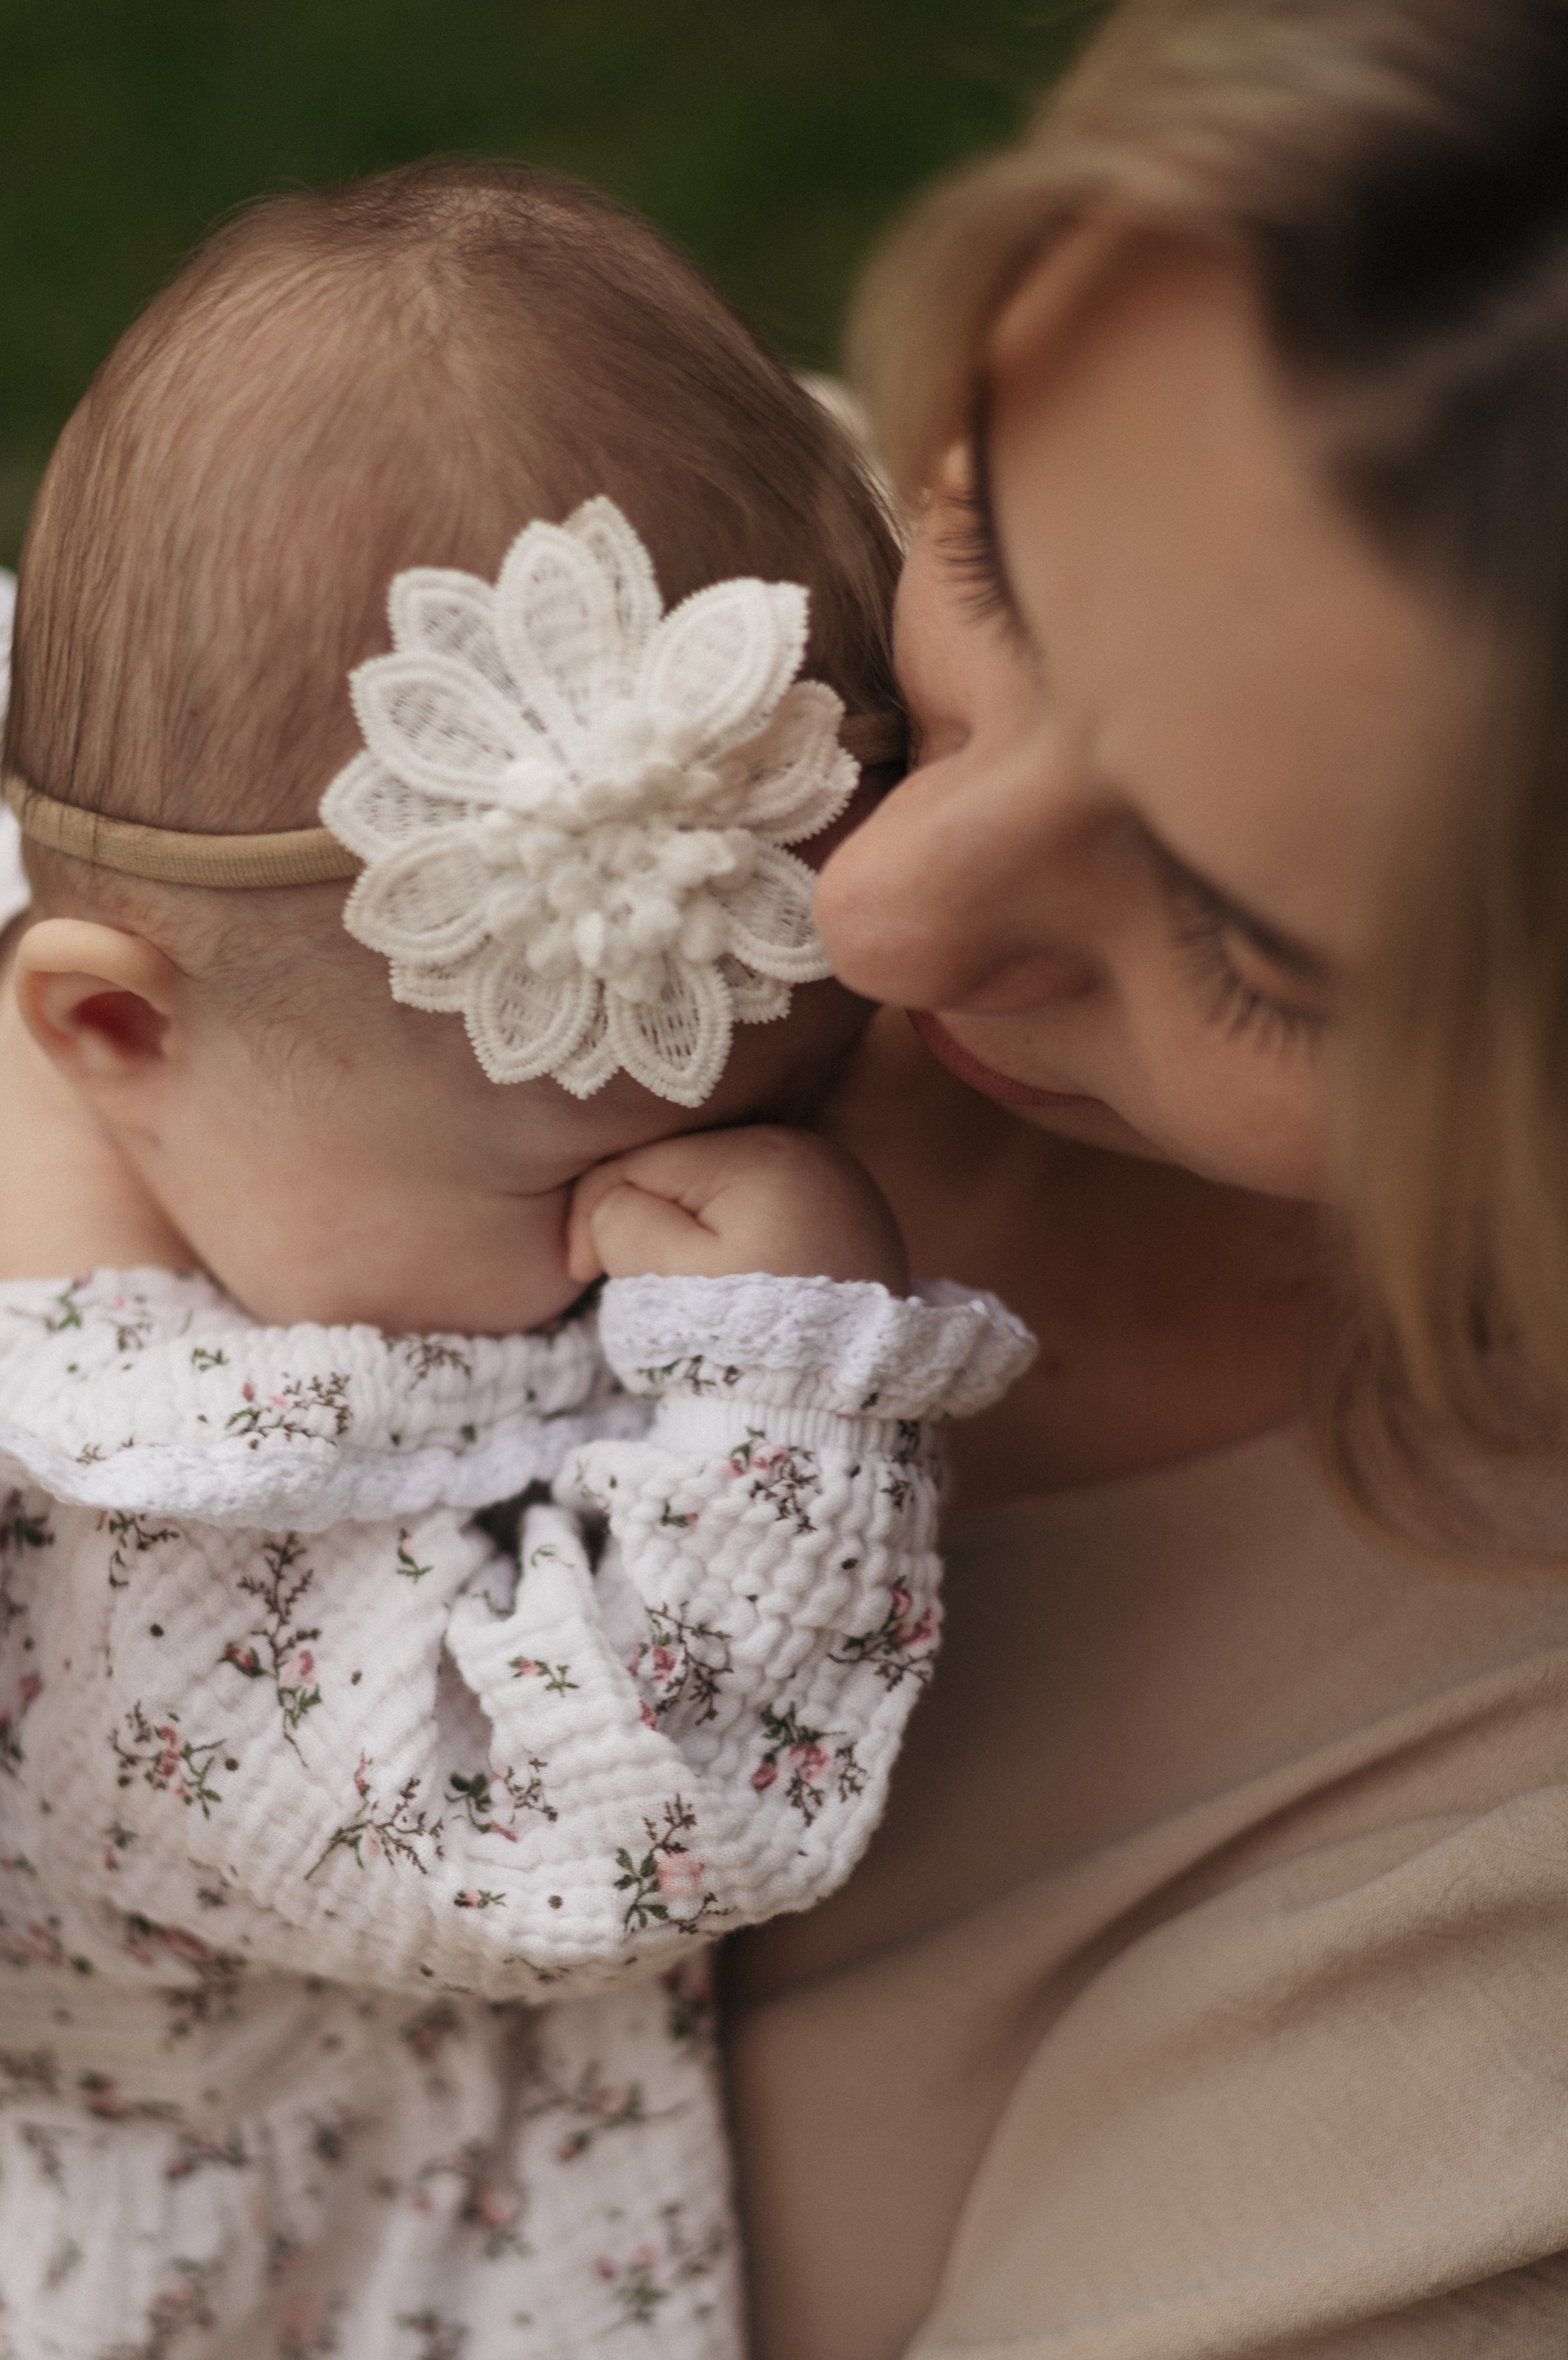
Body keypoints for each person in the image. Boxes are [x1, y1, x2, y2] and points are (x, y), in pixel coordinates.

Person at [0, 164, 1036, 2358]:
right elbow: (598, 1823)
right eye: (587, 1173)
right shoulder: (137, 1558)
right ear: (113, 1030)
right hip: (178, 2276)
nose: (674, 1216)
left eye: (789, 1098)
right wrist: (782, 1373)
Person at [725, 3, 1568, 2354]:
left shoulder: (1477, 2027)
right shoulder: (677, 543)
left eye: (1259, 950)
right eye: (995, 553)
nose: (877, 910)